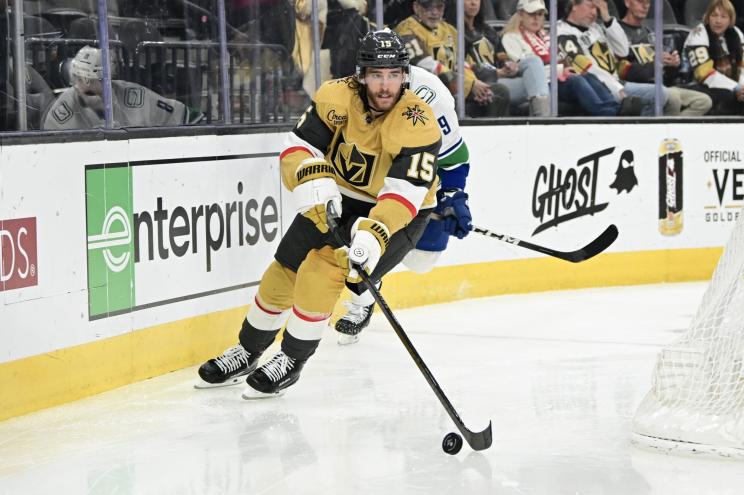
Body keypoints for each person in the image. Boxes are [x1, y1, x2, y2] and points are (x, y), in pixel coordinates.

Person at [196, 29, 442, 397]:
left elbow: (403, 194)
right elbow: (299, 145)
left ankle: (292, 359)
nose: (386, 84)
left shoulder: (418, 122)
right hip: (337, 196)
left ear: (405, 76)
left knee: (324, 267)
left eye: (394, 75)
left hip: (399, 212)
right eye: (377, 74)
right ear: (362, 75)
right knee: (285, 267)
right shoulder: (335, 95)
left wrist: (375, 233)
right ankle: (247, 350)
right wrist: (311, 176)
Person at [335, 63, 473, 344]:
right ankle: (363, 296)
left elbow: (453, 158)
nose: (384, 85)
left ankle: (375, 271)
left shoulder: (433, 98)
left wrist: (451, 195)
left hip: (413, 181)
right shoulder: (350, 90)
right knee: (357, 238)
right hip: (363, 174)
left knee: (422, 260)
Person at [501, 0, 624, 116]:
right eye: (531, 14)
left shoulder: (546, 36)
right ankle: (605, 113)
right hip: (536, 84)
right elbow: (526, 68)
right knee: (576, 81)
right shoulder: (511, 37)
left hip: (555, 79)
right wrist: (560, 70)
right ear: (521, 15)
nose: (536, 18)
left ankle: (616, 109)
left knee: (587, 76)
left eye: (540, 14)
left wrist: (565, 69)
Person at [42, 46, 204, 130]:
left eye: (87, 79)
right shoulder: (63, 111)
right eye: (77, 78)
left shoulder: (134, 97)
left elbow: (189, 117)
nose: (78, 84)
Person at [395, 0, 511, 116]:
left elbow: (462, 63)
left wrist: (475, 82)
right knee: (450, 100)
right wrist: (469, 85)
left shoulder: (449, 30)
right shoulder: (406, 30)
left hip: (455, 86)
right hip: (425, 89)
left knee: (498, 92)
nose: (434, 12)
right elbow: (426, 66)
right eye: (428, 7)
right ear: (416, 7)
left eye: (439, 7)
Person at [557, 0, 664, 116]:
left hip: (617, 82)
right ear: (574, 6)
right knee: (659, 93)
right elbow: (585, 67)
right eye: (590, 7)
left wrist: (607, 18)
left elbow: (623, 51)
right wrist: (616, 88)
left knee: (664, 94)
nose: (594, 13)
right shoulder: (562, 32)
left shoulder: (596, 28)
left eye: (596, 9)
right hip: (600, 87)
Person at [619, 0, 712, 115]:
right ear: (628, 3)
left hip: (662, 86)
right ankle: (667, 131)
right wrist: (655, 64)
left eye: (648, 3)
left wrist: (672, 64)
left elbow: (667, 75)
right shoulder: (617, 32)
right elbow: (623, 72)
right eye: (640, 1)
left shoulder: (650, 33)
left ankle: (675, 130)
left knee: (703, 101)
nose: (645, 6)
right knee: (673, 98)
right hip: (638, 88)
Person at [462, 0, 551, 116]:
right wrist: (497, 72)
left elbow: (501, 55)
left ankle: (543, 118)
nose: (473, 3)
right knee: (539, 84)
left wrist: (508, 65)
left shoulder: (487, 30)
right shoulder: (453, 32)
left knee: (533, 63)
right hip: (479, 83)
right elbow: (462, 67)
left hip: (499, 79)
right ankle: (544, 120)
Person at [683, 0, 744, 115]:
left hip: (733, 87)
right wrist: (736, 87)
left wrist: (742, 88)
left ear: (730, 19)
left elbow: (743, 66)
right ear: (707, 17)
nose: (718, 21)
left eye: (723, 16)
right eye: (714, 15)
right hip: (698, 86)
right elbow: (704, 74)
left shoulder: (737, 33)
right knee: (728, 96)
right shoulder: (698, 33)